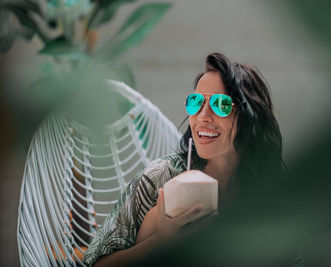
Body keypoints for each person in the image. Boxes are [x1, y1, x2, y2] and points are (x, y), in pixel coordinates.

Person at [83, 52, 284, 266]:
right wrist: (161, 241)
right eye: (196, 102)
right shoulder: (160, 178)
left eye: (221, 105)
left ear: (250, 117)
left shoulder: (265, 190)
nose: (203, 116)